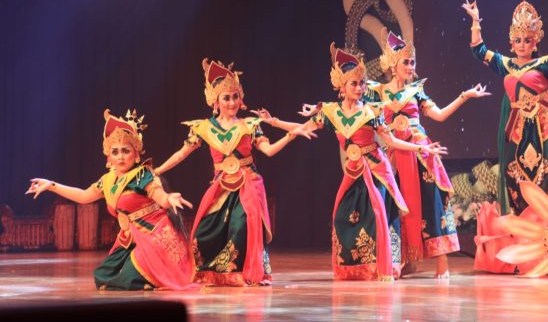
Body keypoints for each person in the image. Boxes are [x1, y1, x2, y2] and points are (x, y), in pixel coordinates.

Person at [260, 44, 447, 281]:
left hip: (376, 170)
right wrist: (275, 122)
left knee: (377, 216)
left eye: (361, 84)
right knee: (343, 217)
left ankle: (385, 267)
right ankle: (354, 267)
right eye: (354, 84)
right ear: (342, 87)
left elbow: (391, 140)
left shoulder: (372, 112)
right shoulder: (331, 112)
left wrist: (421, 147)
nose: (359, 88)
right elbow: (304, 127)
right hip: (353, 170)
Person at [154, 59, 312, 287]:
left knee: (242, 226)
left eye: (235, 96)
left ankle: (244, 273)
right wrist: (157, 170)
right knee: (204, 232)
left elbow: (268, 150)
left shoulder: (249, 125)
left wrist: (290, 135)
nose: (231, 102)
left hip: (248, 183)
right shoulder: (204, 127)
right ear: (216, 101)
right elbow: (181, 154)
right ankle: (212, 272)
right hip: (221, 185)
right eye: (226, 98)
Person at [365, 29, 490, 278]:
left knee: (431, 204)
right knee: (395, 207)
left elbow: (440, 115)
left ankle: (442, 261)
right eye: (406, 62)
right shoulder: (377, 93)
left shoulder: (417, 91)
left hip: (421, 153)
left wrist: (465, 96)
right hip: (394, 154)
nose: (410, 67)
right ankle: (404, 260)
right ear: (393, 65)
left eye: (412, 62)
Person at [27, 109, 194, 290]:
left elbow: (160, 197)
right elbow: (83, 196)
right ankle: (144, 279)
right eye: (115, 152)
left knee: (129, 275)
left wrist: (169, 198)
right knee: (103, 275)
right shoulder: (107, 181)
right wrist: (51, 185)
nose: (120, 156)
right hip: (130, 237)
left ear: (136, 154)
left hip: (153, 234)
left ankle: (149, 280)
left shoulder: (142, 175)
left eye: (125, 151)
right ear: (109, 157)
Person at [461, 0, 548, 215]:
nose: (522, 45)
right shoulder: (505, 64)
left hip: (546, 123)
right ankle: (524, 216)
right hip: (518, 127)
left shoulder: (543, 63)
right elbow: (479, 51)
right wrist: (475, 21)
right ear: (511, 43)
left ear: (535, 43)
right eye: (518, 40)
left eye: (527, 40)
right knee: (512, 168)